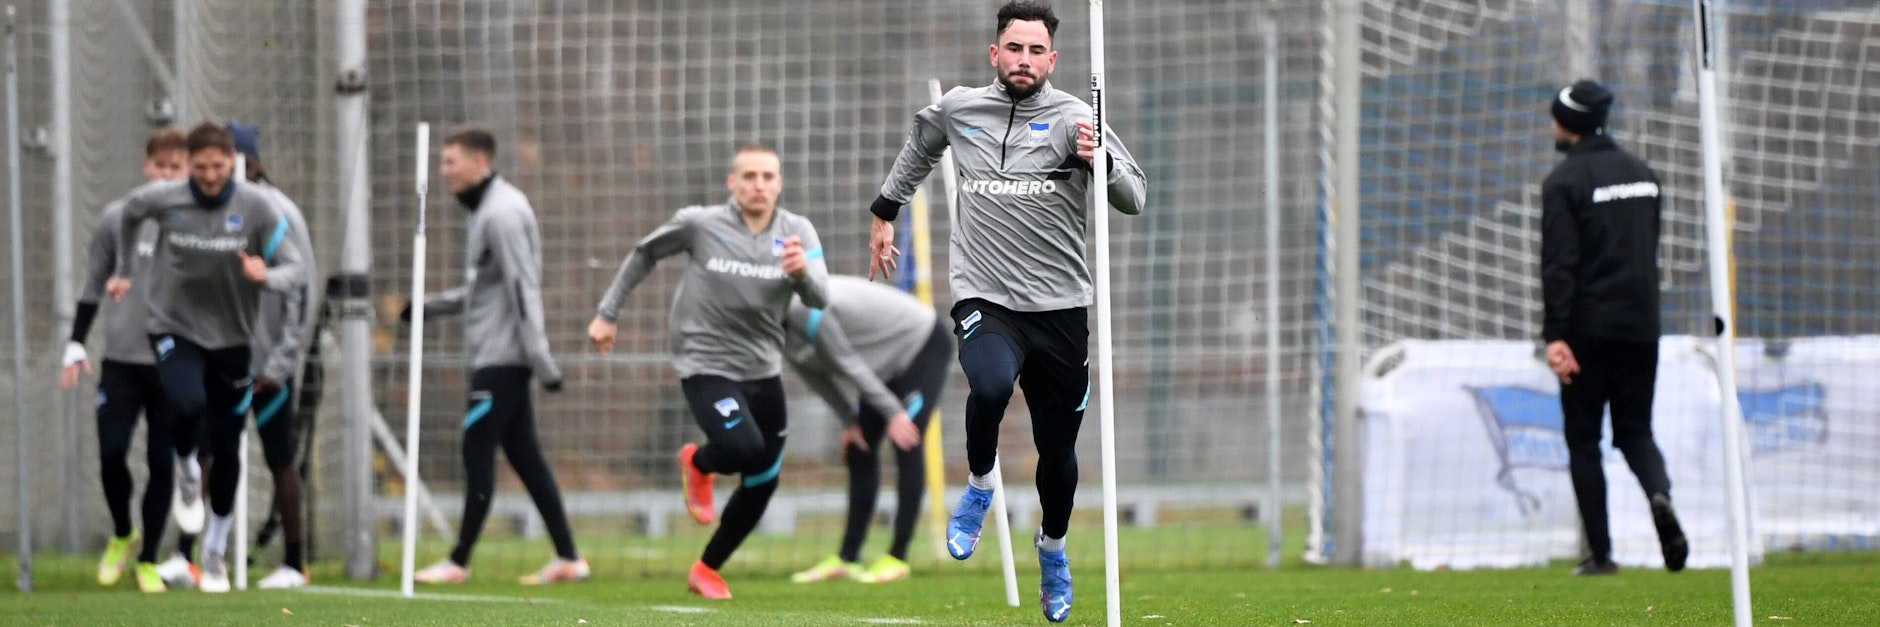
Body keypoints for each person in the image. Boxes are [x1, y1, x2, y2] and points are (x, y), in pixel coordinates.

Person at [864, 2, 1146, 621]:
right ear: (996, 53)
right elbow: (920, 145)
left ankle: (1053, 549)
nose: (1023, 60)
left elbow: (1134, 198)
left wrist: (1099, 159)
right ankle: (981, 483)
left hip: (1061, 310)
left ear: (1053, 58)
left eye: (1035, 50)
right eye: (1013, 49)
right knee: (988, 384)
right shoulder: (961, 108)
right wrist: (885, 212)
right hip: (985, 295)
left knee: (1058, 457)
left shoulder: (1078, 117)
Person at [588, 143, 829, 600]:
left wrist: (800, 274)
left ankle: (706, 568)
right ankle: (697, 462)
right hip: (704, 361)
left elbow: (821, 299)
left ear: (780, 183)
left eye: (768, 177)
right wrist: (607, 313)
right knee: (741, 446)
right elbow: (644, 254)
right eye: (749, 176)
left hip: (762, 366)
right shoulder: (700, 224)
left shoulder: (797, 231)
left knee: (763, 478)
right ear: (731, 183)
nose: (759, 185)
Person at [109, 121, 309, 593]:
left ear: (233, 164)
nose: (211, 176)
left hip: (233, 339)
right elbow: (128, 213)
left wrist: (266, 274)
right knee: (184, 403)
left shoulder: (257, 208)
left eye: (219, 167)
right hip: (173, 327)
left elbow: (297, 269)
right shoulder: (167, 198)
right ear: (190, 165)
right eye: (201, 167)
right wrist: (123, 268)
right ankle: (185, 469)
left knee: (227, 446)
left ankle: (214, 553)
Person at [409, 127, 587, 586]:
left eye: (450, 162)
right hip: (496, 353)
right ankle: (568, 556)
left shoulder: (503, 213)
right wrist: (429, 306)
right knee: (525, 456)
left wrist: (541, 359)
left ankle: (459, 560)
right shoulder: (485, 211)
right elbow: (482, 289)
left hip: (505, 358)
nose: (443, 171)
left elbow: (522, 286)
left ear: (478, 162)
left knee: (476, 448)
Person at [1540, 79, 1688, 576]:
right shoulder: (1644, 174)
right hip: (1641, 325)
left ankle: (1601, 555)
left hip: (1586, 329)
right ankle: (1660, 496)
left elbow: (1560, 264)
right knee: (1636, 431)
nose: (1553, 126)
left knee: (1584, 441)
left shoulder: (1565, 182)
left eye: (1557, 117)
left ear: (1572, 124)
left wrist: (1556, 335)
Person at [61, 127, 189, 593]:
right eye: (161, 167)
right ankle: (122, 534)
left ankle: (150, 559)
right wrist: (76, 343)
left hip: (172, 361)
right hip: (120, 360)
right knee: (112, 452)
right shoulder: (118, 218)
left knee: (161, 459)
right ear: (146, 167)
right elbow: (94, 283)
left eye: (177, 169)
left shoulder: (191, 222)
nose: (166, 177)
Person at [783, 276, 952, 585]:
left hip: (921, 344)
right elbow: (817, 378)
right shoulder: (774, 329)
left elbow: (847, 363)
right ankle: (848, 558)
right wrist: (850, 422)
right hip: (879, 369)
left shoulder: (803, 307)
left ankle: (897, 556)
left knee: (907, 439)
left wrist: (895, 414)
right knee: (859, 449)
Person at [226, 121, 321, 589]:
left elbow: (302, 288)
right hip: (222, 361)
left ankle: (294, 560)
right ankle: (204, 556)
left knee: (281, 458)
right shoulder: (214, 210)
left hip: (268, 367)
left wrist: (281, 363)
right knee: (206, 454)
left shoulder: (280, 212)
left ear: (250, 161)